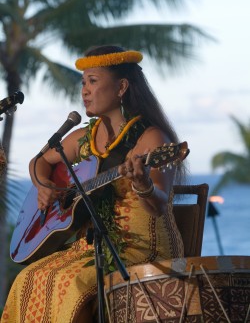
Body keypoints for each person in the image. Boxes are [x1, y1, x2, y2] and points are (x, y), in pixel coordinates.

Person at [1, 45, 186, 323]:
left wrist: (143, 183)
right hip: (92, 246)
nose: (84, 90)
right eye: (83, 82)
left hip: (140, 247)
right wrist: (44, 186)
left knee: (69, 285)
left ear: (122, 86)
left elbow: (159, 204)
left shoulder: (151, 139)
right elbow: (40, 161)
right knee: (28, 278)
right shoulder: (83, 137)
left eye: (93, 81)